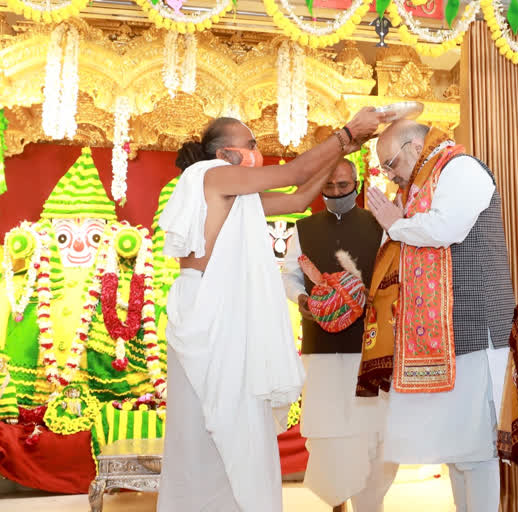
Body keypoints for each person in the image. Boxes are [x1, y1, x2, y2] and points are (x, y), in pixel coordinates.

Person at [156, 108, 387, 512]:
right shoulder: (213, 175)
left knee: (239, 424)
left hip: (223, 315)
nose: (258, 153)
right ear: (226, 153)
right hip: (210, 316)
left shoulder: (235, 193)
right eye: (252, 145)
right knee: (210, 429)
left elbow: (298, 198)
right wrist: (345, 133)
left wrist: (344, 149)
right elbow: (293, 175)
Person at [360, 121, 516, 512]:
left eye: (391, 163)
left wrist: (395, 224)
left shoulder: (461, 168)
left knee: (477, 452)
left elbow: (447, 227)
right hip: (444, 335)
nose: (390, 173)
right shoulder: (417, 190)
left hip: (477, 331)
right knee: (457, 453)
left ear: (415, 146)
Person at [282, 158, 398, 512]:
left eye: (343, 186)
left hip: (371, 347)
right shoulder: (302, 229)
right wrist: (304, 299)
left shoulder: (381, 226)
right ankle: (337, 504)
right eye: (329, 187)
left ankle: (370, 504)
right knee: (329, 431)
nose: (335, 193)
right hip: (321, 349)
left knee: (372, 433)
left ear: (358, 184)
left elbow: (395, 276)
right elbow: (287, 276)